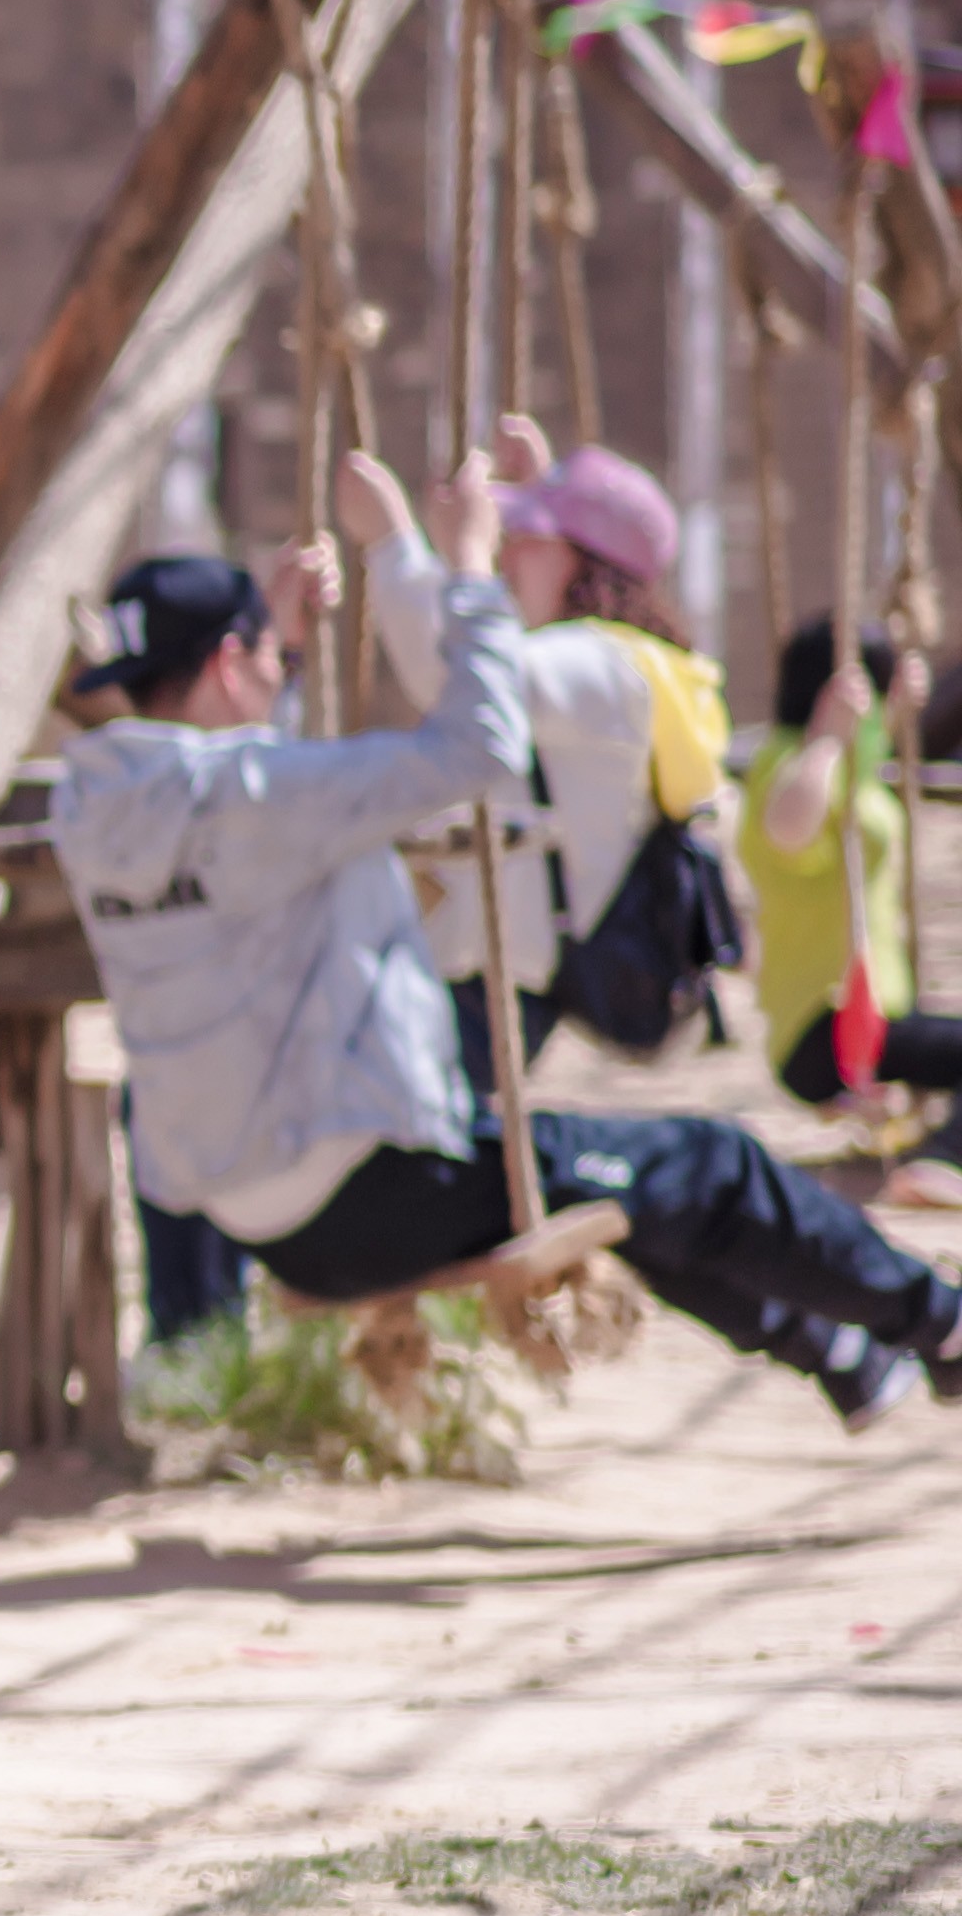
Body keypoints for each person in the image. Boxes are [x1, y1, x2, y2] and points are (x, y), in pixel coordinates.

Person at [48, 491, 962, 1432]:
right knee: (713, 1164)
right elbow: (480, 745)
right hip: (371, 1189)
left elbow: (228, 794)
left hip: (255, 1216)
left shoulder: (91, 817)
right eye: (266, 659)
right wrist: (473, 570)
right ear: (230, 661)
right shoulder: (263, 796)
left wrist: (272, 644)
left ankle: (846, 1358)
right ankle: (941, 1320)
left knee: (633, 1195)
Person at [352, 420, 739, 1074]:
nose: (508, 552)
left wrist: (393, 543)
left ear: (581, 561)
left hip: (494, 982)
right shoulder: (632, 661)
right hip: (505, 971)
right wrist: (543, 486)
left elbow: (463, 680)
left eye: (529, 539)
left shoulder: (598, 663)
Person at [751, 614, 960, 1198]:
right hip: (830, 1021)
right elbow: (790, 828)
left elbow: (859, 777)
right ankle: (944, 1160)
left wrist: (896, 705)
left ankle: (937, 1152)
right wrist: (825, 735)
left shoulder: (844, 765)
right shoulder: (789, 763)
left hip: (865, 1012)